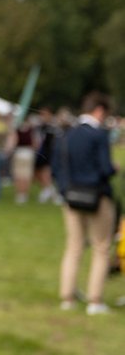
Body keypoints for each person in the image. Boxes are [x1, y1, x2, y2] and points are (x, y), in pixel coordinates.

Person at [52, 92, 118, 315]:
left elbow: (57, 167)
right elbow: (105, 168)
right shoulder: (99, 135)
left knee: (74, 247)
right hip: (97, 197)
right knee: (101, 247)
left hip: (71, 197)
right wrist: (114, 168)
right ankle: (95, 300)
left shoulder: (67, 133)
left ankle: (67, 297)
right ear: (99, 110)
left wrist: (64, 190)